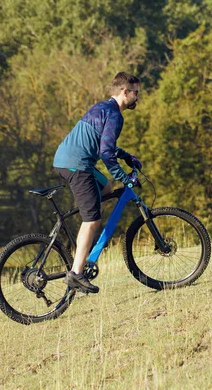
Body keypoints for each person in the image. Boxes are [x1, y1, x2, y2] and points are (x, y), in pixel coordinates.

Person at [53, 72, 143, 294]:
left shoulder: (103, 108)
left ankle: (87, 226)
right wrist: (125, 177)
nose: (138, 97)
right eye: (136, 92)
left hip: (68, 160)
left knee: (106, 188)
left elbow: (104, 144)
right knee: (92, 219)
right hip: (77, 165)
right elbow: (105, 153)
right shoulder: (114, 115)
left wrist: (125, 155)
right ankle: (76, 273)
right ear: (125, 92)